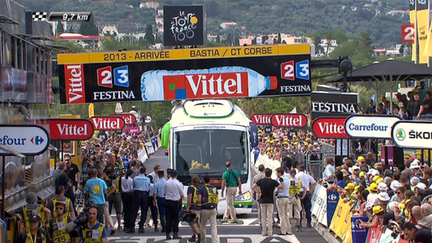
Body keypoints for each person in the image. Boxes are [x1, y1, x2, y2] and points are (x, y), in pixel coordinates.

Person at [252, 168, 284, 237]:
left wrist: (259, 192)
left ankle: (264, 232)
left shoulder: (261, 181)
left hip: (262, 200)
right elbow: (281, 187)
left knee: (263, 216)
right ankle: (270, 232)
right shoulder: (273, 181)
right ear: (271, 174)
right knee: (270, 216)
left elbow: (253, 187)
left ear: (265, 173)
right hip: (270, 200)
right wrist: (282, 181)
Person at [163, 169, 184, 240]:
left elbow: (164, 192)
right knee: (176, 218)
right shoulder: (178, 183)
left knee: (168, 218)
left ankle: (167, 234)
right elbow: (181, 194)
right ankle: (175, 233)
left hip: (168, 201)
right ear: (176, 175)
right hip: (175, 202)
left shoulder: (166, 183)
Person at [198, 175, 219, 243]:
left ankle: (203, 241)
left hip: (204, 209)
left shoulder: (201, 189)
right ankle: (214, 241)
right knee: (213, 226)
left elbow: (199, 199)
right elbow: (217, 199)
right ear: (210, 180)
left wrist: (196, 203)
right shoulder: (214, 188)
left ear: (203, 181)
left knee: (203, 226)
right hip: (213, 209)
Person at [130, 166, 151, 234]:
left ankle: (132, 227)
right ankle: (141, 227)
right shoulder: (147, 179)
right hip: (144, 194)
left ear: (139, 171)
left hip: (137, 194)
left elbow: (132, 187)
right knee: (144, 211)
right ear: (145, 171)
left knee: (134, 211)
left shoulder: (135, 178)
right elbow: (148, 187)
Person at [275, 167, 292, 235]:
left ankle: (283, 231)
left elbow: (278, 189)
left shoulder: (280, 180)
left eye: (276, 172)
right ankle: (289, 230)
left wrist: (275, 193)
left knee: (281, 215)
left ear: (279, 173)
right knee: (286, 215)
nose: (276, 174)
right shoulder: (287, 179)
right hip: (287, 197)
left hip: (281, 197)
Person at [186, 176, 201, 242]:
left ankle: (199, 234)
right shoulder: (201, 188)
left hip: (193, 207)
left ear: (192, 181)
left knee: (192, 223)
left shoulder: (191, 188)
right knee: (197, 223)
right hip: (199, 207)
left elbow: (189, 197)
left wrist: (188, 206)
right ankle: (194, 236)